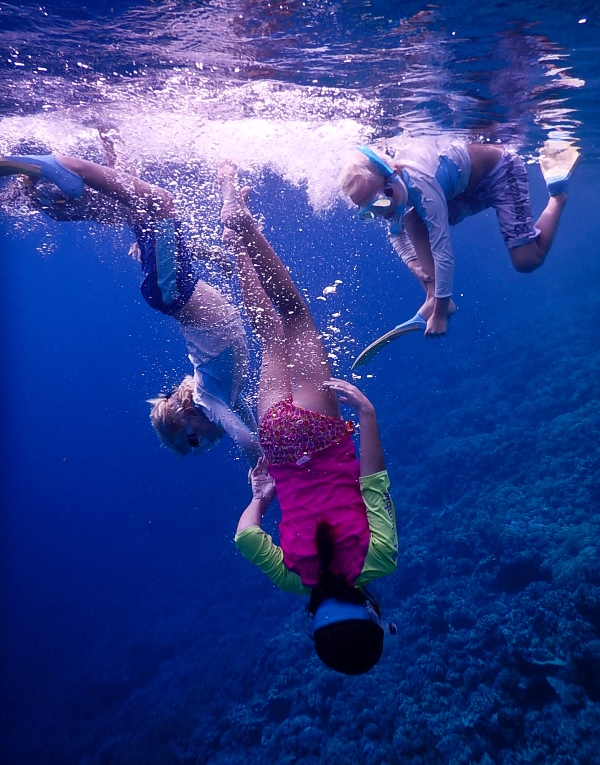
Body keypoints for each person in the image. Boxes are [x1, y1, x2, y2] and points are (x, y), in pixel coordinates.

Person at [218, 160, 397, 675]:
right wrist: (260, 496)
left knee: (295, 316)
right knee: (268, 335)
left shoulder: (378, 561)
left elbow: (373, 483)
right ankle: (233, 238)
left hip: (322, 431)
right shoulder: (293, 579)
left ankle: (244, 225)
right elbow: (245, 536)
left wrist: (367, 415)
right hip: (275, 441)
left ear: (370, 613)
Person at [0, 143, 261, 463]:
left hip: (171, 293)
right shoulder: (229, 399)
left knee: (159, 202)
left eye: (194, 442)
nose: (207, 443)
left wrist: (259, 475)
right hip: (177, 289)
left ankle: (59, 167)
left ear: (184, 415)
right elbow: (252, 428)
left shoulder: (209, 403)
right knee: (132, 207)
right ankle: (54, 190)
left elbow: (248, 442)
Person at [340, 137, 579, 336]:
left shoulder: (420, 185)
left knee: (527, 261)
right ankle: (433, 296)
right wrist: (413, 264)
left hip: (499, 173)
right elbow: (396, 231)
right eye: (369, 213)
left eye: (380, 203)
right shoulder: (393, 195)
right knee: (411, 218)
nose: (381, 213)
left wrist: (441, 314)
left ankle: (557, 197)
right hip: (461, 189)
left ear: (395, 176)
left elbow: (443, 251)